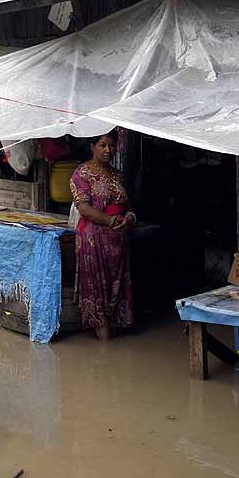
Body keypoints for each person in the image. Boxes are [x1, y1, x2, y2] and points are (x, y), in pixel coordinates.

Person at [70, 132, 136, 341]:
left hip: (118, 240)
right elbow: (84, 208)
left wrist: (129, 219)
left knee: (117, 289)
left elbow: (128, 206)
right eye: (102, 145)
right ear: (92, 146)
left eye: (112, 146)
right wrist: (111, 221)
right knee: (97, 290)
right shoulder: (81, 173)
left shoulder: (118, 175)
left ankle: (115, 341)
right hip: (93, 240)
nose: (108, 150)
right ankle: (104, 344)